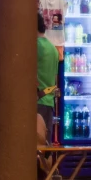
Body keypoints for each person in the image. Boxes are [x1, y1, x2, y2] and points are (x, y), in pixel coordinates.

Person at [37, 12, 59, 144]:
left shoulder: (33, 46)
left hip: (36, 102)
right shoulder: (53, 49)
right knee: (45, 147)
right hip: (49, 102)